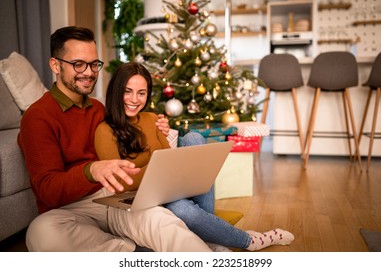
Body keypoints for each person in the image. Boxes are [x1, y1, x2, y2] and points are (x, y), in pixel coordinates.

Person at [18, 26, 213, 252]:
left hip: (113, 198)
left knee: (162, 221)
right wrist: (91, 171)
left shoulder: (99, 108)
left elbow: (136, 131)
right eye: (78, 64)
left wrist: (161, 127)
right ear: (56, 65)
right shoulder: (38, 117)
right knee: (41, 232)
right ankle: (131, 252)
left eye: (94, 64)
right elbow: (48, 190)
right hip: (70, 209)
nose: (89, 72)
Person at [94, 61, 295, 251]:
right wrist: (156, 169)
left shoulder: (153, 119)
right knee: (182, 208)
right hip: (138, 198)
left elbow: (167, 157)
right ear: (116, 92)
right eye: (127, 92)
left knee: (194, 137)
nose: (134, 100)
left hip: (166, 186)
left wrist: (167, 165)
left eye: (141, 93)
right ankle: (249, 240)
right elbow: (120, 183)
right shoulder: (105, 131)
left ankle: (208, 238)